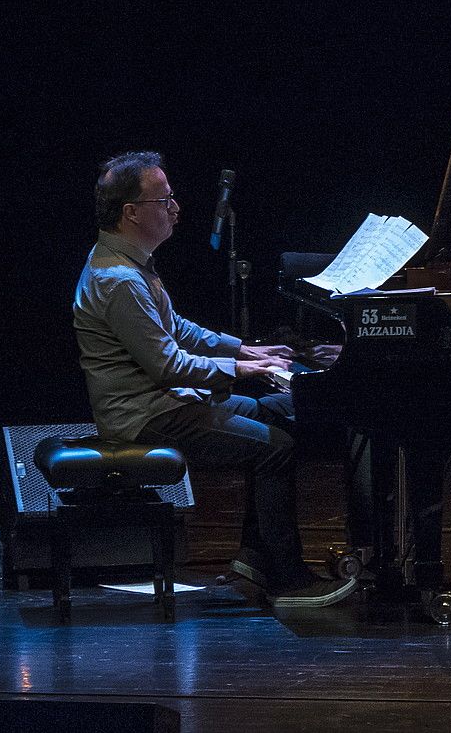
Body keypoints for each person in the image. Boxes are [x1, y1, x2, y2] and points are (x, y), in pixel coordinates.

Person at [73, 151, 357, 608]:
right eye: (163, 200)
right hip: (146, 417)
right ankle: (289, 581)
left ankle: (253, 561)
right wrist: (242, 370)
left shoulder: (127, 261)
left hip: (165, 403)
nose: (175, 207)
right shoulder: (120, 279)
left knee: (277, 418)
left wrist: (243, 348)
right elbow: (168, 365)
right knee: (276, 448)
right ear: (131, 213)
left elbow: (177, 328)